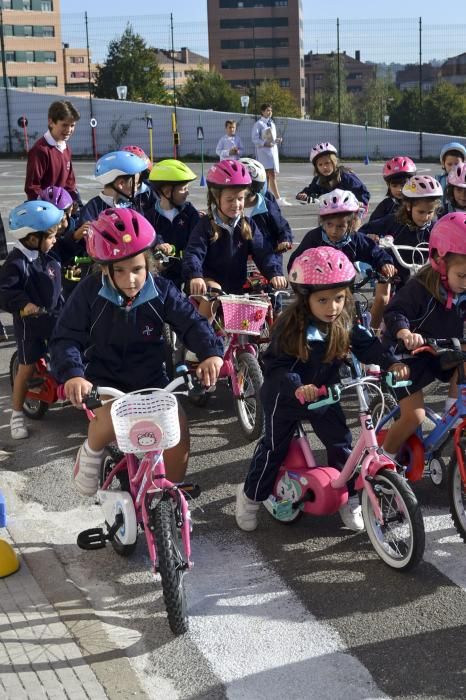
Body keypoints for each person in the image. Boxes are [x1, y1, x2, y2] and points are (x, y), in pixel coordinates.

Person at [49, 208, 224, 497]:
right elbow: (65, 337)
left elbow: (191, 322)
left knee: (176, 425)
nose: (130, 279)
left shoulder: (163, 291)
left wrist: (210, 354)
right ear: (104, 268)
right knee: (109, 420)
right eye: (119, 270)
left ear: (149, 265)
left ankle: (170, 491)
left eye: (137, 269)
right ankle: (90, 454)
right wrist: (73, 375)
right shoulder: (89, 293)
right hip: (104, 378)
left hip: (152, 376)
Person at [235, 247, 407, 532]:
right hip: (285, 397)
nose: (333, 307)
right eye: (323, 300)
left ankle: (350, 498)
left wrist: (391, 363)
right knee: (273, 448)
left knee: (341, 442)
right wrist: (299, 387)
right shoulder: (290, 327)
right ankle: (250, 497)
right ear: (306, 300)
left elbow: (368, 347)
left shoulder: (344, 321)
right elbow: (276, 368)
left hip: (325, 394)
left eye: (339, 298)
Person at [381, 213, 466, 461]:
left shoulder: (462, 290)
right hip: (404, 356)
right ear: (440, 261)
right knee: (414, 416)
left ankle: (453, 416)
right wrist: (405, 333)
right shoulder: (420, 288)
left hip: (438, 352)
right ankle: (383, 462)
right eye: (462, 275)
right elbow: (395, 311)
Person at [182, 159, 287, 320]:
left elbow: (263, 251)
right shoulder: (206, 225)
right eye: (230, 200)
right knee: (213, 294)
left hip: (237, 286)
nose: (236, 204)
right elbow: (194, 252)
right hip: (206, 283)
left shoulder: (247, 224)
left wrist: (274, 273)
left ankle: (250, 344)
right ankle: (203, 340)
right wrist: (195, 275)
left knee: (258, 306)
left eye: (240, 198)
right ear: (216, 198)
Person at [0, 200, 64, 439]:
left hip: (55, 317)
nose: (55, 239)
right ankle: (16, 414)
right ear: (32, 237)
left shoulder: (46, 254)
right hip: (31, 325)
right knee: (26, 369)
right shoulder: (16, 263)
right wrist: (23, 304)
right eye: (51, 236)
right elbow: (5, 291)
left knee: (73, 347)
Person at [288, 189, 395, 330]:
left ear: (350, 224)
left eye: (340, 226)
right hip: (317, 292)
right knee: (305, 323)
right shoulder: (314, 238)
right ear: (322, 222)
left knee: (349, 323)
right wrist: (300, 284)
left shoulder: (355, 240)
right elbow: (295, 262)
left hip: (342, 293)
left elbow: (374, 252)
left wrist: (385, 263)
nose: (333, 231)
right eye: (329, 225)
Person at [360, 175, 443, 289]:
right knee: (383, 299)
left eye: (430, 212)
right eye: (421, 212)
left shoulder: (435, 227)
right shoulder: (394, 221)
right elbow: (362, 232)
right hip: (393, 271)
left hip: (423, 275)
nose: (425, 217)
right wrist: (371, 236)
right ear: (408, 206)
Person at [145, 159, 199, 289]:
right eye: (184, 189)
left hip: (188, 275)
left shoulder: (190, 213)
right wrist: (158, 245)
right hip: (161, 276)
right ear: (168, 192)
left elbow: (197, 243)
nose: (187, 192)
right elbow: (148, 240)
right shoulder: (150, 216)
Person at [24, 100, 81, 204]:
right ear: (51, 122)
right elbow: (32, 187)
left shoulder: (66, 148)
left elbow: (70, 182)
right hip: (46, 211)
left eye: (72, 125)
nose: (69, 130)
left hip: (63, 209)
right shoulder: (40, 150)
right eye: (64, 125)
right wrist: (50, 205)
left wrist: (73, 201)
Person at [296, 142, 370, 214]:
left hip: (349, 212)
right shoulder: (318, 180)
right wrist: (304, 195)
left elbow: (363, 192)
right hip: (330, 213)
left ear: (334, 162)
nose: (324, 167)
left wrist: (361, 201)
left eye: (327, 163)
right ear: (316, 167)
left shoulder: (346, 176)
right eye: (320, 165)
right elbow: (311, 190)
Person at [77, 150, 148, 225]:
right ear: (121, 184)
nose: (136, 189)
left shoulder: (132, 205)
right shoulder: (92, 209)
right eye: (136, 184)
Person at [240, 157, 293, 253]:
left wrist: (285, 240)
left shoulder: (265, 206)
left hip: (267, 254)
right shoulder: (229, 207)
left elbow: (281, 225)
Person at [251, 103, 290, 207]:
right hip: (264, 153)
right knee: (270, 175)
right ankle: (278, 199)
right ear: (262, 112)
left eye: (271, 110)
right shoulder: (258, 124)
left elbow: (271, 138)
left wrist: (277, 140)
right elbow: (254, 139)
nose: (269, 112)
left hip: (272, 153)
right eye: (267, 110)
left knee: (267, 177)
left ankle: (263, 197)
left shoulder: (272, 123)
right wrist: (264, 143)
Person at [369, 156, 417, 221]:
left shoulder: (418, 203)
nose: (399, 189)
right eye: (394, 186)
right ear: (388, 185)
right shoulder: (386, 205)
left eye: (403, 185)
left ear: (412, 182)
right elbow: (371, 226)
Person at [436, 141, 466, 206]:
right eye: (449, 164)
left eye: (456, 164)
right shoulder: (440, 180)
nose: (453, 168)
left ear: (464, 163)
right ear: (443, 164)